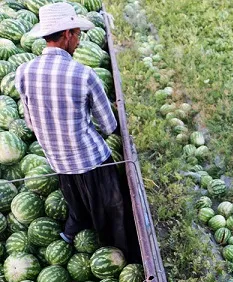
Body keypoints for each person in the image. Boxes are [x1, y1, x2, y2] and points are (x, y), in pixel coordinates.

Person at [15, 3, 140, 261]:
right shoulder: (83, 74)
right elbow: (108, 126)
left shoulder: (23, 71)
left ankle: (72, 233)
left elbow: (29, 121)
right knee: (114, 213)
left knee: (77, 208)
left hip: (58, 164)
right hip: (93, 164)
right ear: (68, 34)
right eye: (78, 35)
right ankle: (123, 252)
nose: (80, 42)